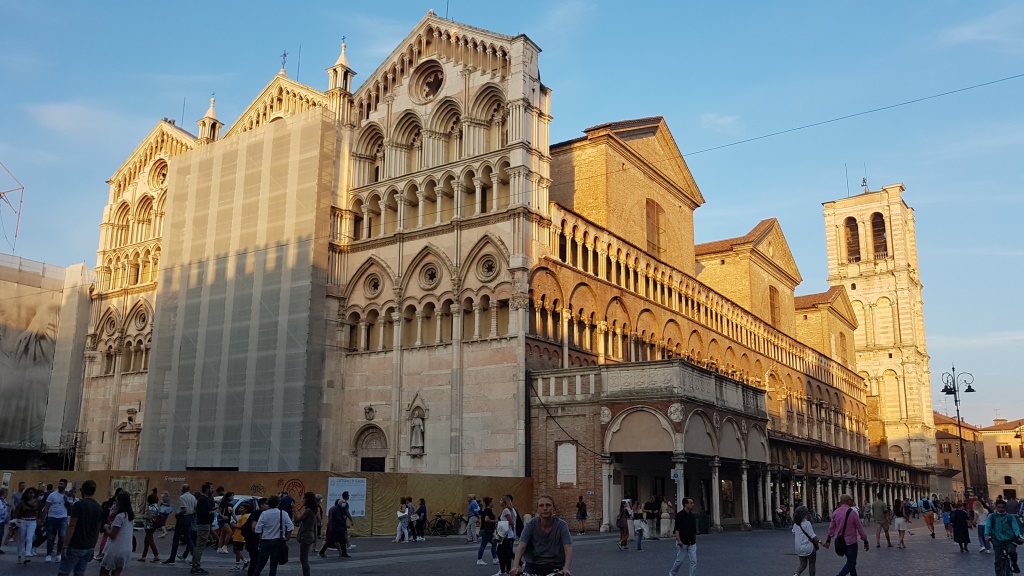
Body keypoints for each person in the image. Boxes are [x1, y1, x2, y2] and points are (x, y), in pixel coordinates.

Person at [509, 495, 573, 576]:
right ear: (538, 509)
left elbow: (568, 548)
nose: (545, 508)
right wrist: (515, 567)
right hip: (533, 565)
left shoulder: (561, 525)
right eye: (541, 506)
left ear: (554, 508)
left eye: (548, 505)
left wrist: (566, 568)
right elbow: (521, 547)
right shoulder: (530, 525)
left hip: (555, 565)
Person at [57, 479, 104, 576]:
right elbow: (97, 530)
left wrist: (65, 545)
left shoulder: (78, 505)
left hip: (75, 545)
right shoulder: (98, 508)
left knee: (63, 572)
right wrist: (93, 547)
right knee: (79, 573)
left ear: (83, 491)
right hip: (88, 546)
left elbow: (72, 526)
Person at [823, 494, 868, 576]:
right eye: (851, 499)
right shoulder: (853, 513)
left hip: (841, 542)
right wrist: (865, 540)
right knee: (851, 563)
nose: (852, 501)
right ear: (847, 501)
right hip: (851, 543)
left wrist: (828, 540)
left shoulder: (835, 512)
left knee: (850, 562)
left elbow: (831, 528)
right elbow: (860, 528)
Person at [251, 495, 293, 576]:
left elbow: (257, 529)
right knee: (273, 566)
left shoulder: (264, 514)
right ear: (278, 503)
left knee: (260, 565)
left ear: (269, 503)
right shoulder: (283, 513)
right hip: (278, 541)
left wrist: (260, 539)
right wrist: (287, 538)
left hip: (266, 541)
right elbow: (290, 527)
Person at [99, 491, 134, 576]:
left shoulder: (120, 517)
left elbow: (112, 535)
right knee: (117, 572)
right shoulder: (130, 516)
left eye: (116, 501)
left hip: (116, 549)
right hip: (126, 549)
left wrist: (106, 527)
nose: (115, 503)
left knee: (104, 571)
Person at [986, 499, 1022, 574]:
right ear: (996, 507)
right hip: (997, 539)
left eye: (1002, 507)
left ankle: (1014, 564)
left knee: (1012, 552)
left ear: (1005, 508)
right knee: (998, 560)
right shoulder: (992, 517)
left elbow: (1015, 527)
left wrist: (1019, 536)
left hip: (1009, 539)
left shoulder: (1010, 517)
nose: (1001, 509)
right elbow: (988, 526)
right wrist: (986, 535)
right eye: (999, 507)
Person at [163, 484, 196, 565]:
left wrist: (177, 514)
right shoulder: (193, 497)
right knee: (188, 538)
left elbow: (183, 510)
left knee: (176, 539)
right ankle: (195, 557)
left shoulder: (182, 497)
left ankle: (172, 558)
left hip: (182, 518)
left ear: (182, 489)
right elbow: (195, 509)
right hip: (190, 517)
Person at [43, 477, 71, 563]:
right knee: (51, 537)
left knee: (62, 536)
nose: (60, 485)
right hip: (52, 517)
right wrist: (44, 517)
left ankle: (59, 554)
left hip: (62, 517)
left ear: (65, 485)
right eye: (59, 483)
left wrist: (67, 500)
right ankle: (48, 554)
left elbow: (70, 507)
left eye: (62, 484)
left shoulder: (68, 495)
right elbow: (47, 506)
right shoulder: (52, 495)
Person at [668, 497, 697, 576]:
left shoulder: (692, 516)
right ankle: (672, 573)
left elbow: (694, 529)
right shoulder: (680, 515)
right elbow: (677, 529)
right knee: (679, 561)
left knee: (694, 561)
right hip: (682, 541)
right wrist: (679, 540)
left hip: (692, 542)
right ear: (685, 504)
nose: (693, 505)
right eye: (691, 503)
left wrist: (694, 539)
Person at [192, 482, 215, 574]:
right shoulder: (202, 500)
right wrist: (212, 512)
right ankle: (195, 567)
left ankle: (196, 566)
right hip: (203, 525)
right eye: (211, 488)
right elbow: (202, 513)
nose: (212, 490)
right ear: (207, 489)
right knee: (200, 546)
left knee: (200, 546)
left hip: (206, 524)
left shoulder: (206, 499)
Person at [12, 486, 39, 564]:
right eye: (30, 493)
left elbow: (39, 511)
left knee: (29, 538)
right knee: (22, 539)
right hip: (23, 520)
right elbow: (16, 512)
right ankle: (19, 555)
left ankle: (27, 554)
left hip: (32, 521)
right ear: (27, 494)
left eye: (33, 493)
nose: (31, 494)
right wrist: (16, 520)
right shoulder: (22, 502)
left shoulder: (37, 502)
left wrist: (40, 519)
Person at [792, 505, 819, 576]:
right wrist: (821, 542)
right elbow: (813, 536)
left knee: (803, 565)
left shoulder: (795, 524)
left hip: (799, 548)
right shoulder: (807, 523)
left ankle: (796, 574)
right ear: (804, 514)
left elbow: (794, 532)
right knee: (812, 563)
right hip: (808, 547)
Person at [244, 498, 268, 576]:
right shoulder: (258, 513)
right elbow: (253, 527)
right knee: (255, 560)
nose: (268, 506)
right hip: (253, 540)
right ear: (261, 505)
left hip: (254, 540)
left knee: (256, 559)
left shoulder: (262, 513)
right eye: (266, 504)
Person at [296, 493, 317, 576]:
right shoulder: (312, 511)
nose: (302, 500)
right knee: (304, 558)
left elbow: (297, 520)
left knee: (303, 558)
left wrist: (294, 510)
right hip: (309, 535)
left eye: (304, 498)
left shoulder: (308, 511)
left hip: (306, 535)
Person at [496, 495, 518, 576]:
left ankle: (503, 571)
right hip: (509, 534)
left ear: (504, 502)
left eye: (501, 500)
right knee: (507, 553)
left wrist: (499, 523)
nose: (500, 501)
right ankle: (507, 570)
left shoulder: (506, 510)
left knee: (499, 552)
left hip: (504, 534)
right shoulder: (510, 510)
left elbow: (511, 522)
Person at [138, 493, 160, 562]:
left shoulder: (150, 507)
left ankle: (156, 555)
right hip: (154, 525)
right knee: (147, 541)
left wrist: (143, 516)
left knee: (150, 540)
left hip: (149, 526)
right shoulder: (157, 506)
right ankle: (143, 556)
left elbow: (149, 517)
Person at [476, 496, 498, 566]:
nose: (494, 504)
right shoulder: (489, 510)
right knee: (483, 545)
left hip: (485, 530)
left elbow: (481, 519)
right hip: (487, 531)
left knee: (494, 543)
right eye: (493, 502)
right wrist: (494, 521)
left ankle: (495, 559)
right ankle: (479, 559)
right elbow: (486, 519)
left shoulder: (484, 510)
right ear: (490, 503)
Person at [230, 502, 250, 571]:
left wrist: (235, 525)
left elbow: (243, 527)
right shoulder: (241, 516)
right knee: (236, 551)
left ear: (246, 510)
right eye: (240, 508)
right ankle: (245, 561)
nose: (240, 509)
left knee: (237, 550)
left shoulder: (244, 517)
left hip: (240, 537)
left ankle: (237, 565)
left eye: (242, 508)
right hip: (237, 536)